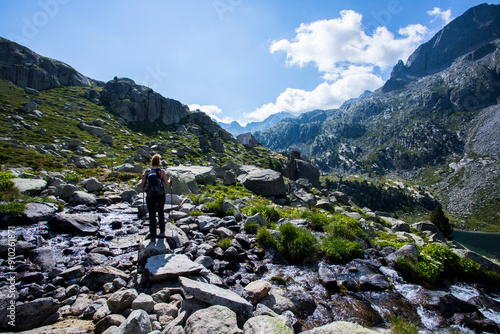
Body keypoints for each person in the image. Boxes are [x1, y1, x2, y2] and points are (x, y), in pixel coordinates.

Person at [140, 154, 173, 242]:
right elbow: (167, 184)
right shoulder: (161, 172)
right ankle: (162, 232)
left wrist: (143, 178)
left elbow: (142, 185)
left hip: (150, 196)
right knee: (161, 212)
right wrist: (170, 179)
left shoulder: (147, 172)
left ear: (152, 162)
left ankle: (153, 236)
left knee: (152, 215)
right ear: (159, 162)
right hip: (160, 195)